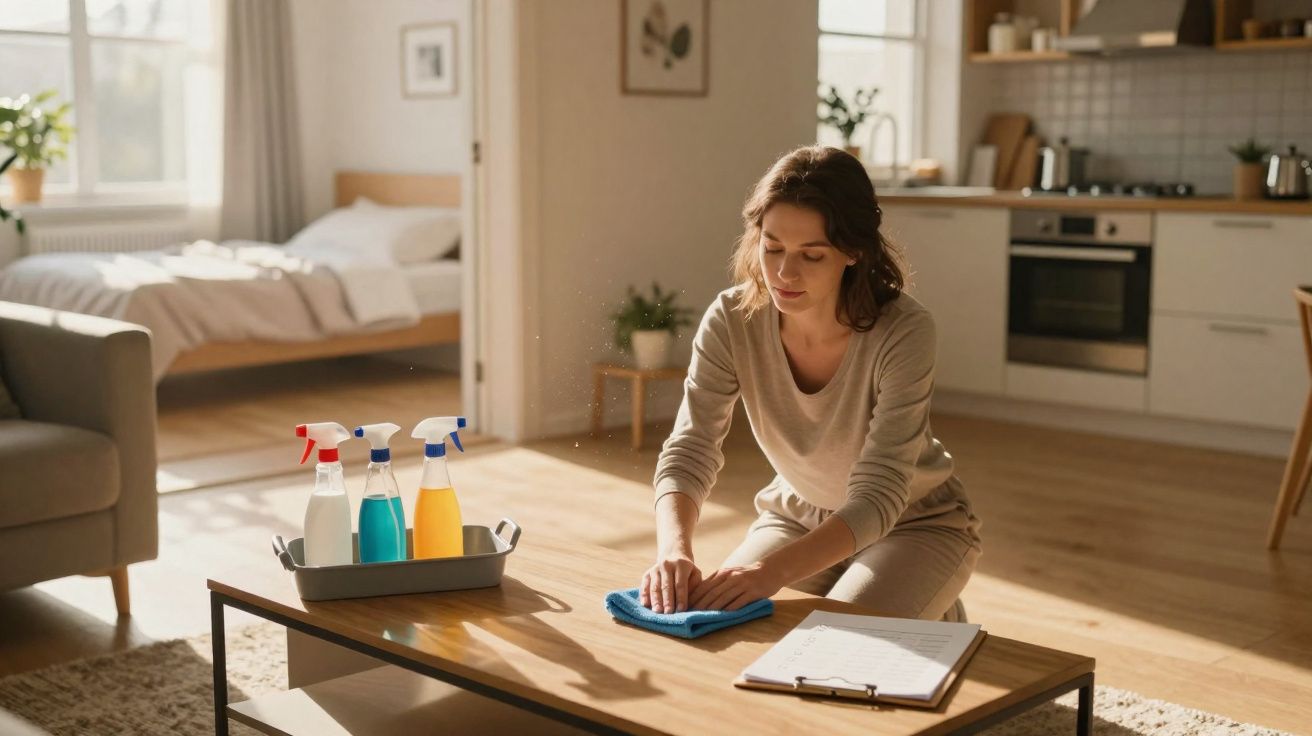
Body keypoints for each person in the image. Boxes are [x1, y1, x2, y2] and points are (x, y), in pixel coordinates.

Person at [640, 145, 982, 622]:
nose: (784, 272)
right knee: (719, 622)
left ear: (853, 252)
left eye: (811, 255)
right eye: (773, 247)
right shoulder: (731, 319)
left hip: (914, 521)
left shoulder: (904, 330)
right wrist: (673, 551)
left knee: (837, 643)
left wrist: (766, 573)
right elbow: (691, 447)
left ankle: (936, 610)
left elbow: (879, 494)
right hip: (798, 515)